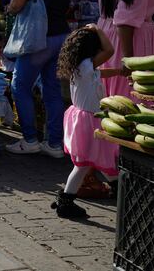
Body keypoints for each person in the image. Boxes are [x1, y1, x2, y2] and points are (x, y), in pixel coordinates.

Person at [5, 0, 72, 158]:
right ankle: (54, 143)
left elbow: (16, 3)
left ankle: (30, 139)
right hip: (60, 37)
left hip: (38, 39)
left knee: (20, 85)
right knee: (52, 90)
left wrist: (10, 8)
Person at [54, 25, 123, 219]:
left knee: (99, 159)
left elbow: (100, 74)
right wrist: (98, 30)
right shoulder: (85, 65)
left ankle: (119, 189)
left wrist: (119, 71)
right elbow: (110, 50)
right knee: (84, 165)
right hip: (90, 122)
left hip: (84, 120)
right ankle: (65, 202)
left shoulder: (82, 66)